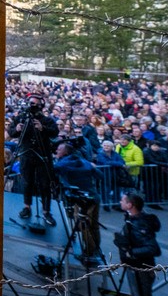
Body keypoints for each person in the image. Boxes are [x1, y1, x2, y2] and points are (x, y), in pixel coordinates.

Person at [114, 191, 163, 296]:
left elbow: (153, 248)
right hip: (134, 268)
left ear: (130, 205)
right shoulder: (132, 219)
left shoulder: (139, 224)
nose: (120, 202)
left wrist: (131, 253)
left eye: (123, 200)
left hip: (141, 270)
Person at [12, 94, 59, 226]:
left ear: (40, 105)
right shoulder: (21, 118)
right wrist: (16, 129)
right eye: (30, 103)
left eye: (34, 103)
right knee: (27, 183)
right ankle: (27, 207)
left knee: (45, 184)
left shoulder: (47, 120)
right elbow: (11, 132)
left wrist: (42, 129)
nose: (31, 105)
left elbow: (54, 132)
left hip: (42, 155)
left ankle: (46, 211)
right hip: (26, 155)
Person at [53, 142, 102, 264]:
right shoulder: (83, 162)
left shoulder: (63, 164)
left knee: (85, 226)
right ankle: (95, 250)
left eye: (59, 149)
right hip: (93, 197)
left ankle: (89, 253)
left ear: (65, 152)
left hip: (82, 200)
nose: (56, 151)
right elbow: (99, 175)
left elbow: (52, 173)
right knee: (93, 226)